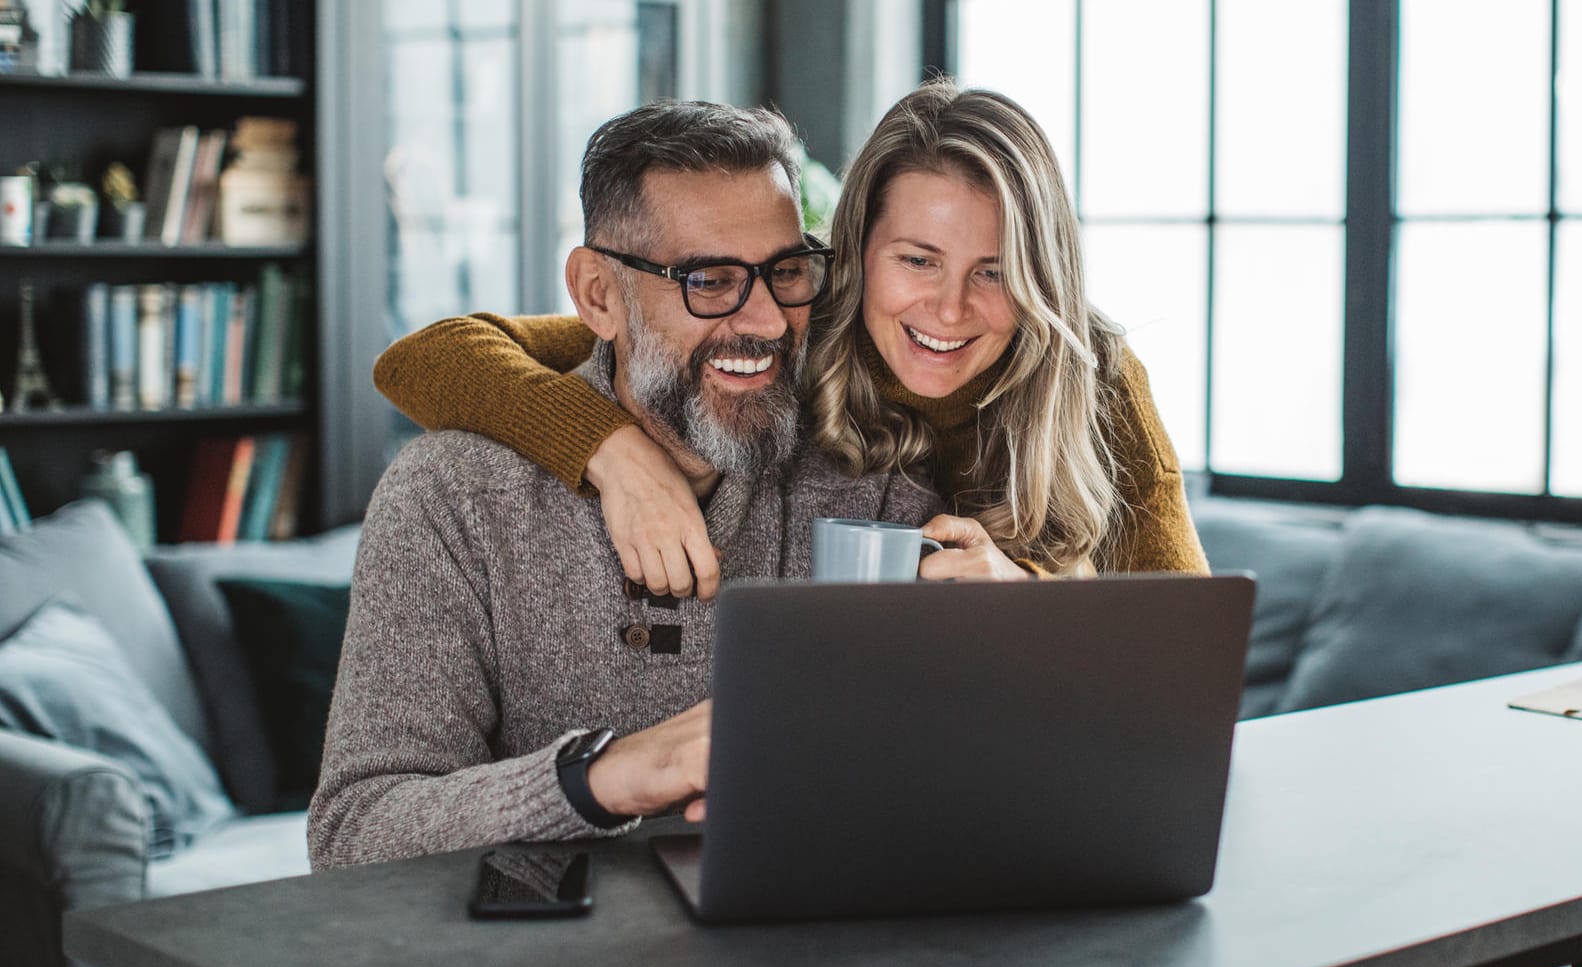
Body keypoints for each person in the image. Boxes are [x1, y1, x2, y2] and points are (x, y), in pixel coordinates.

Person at [308, 101, 941, 869]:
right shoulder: (450, 499)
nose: (770, 323)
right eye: (709, 280)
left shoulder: (874, 480)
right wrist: (609, 778)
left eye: (784, 272)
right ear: (599, 296)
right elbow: (355, 834)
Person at [373, 79, 1206, 602]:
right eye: (917, 260)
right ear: (854, 254)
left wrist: (1033, 606)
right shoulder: (790, 326)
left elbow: (1190, 665)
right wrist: (612, 451)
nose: (949, 309)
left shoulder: (1091, 378)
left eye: (995, 271)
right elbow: (426, 356)